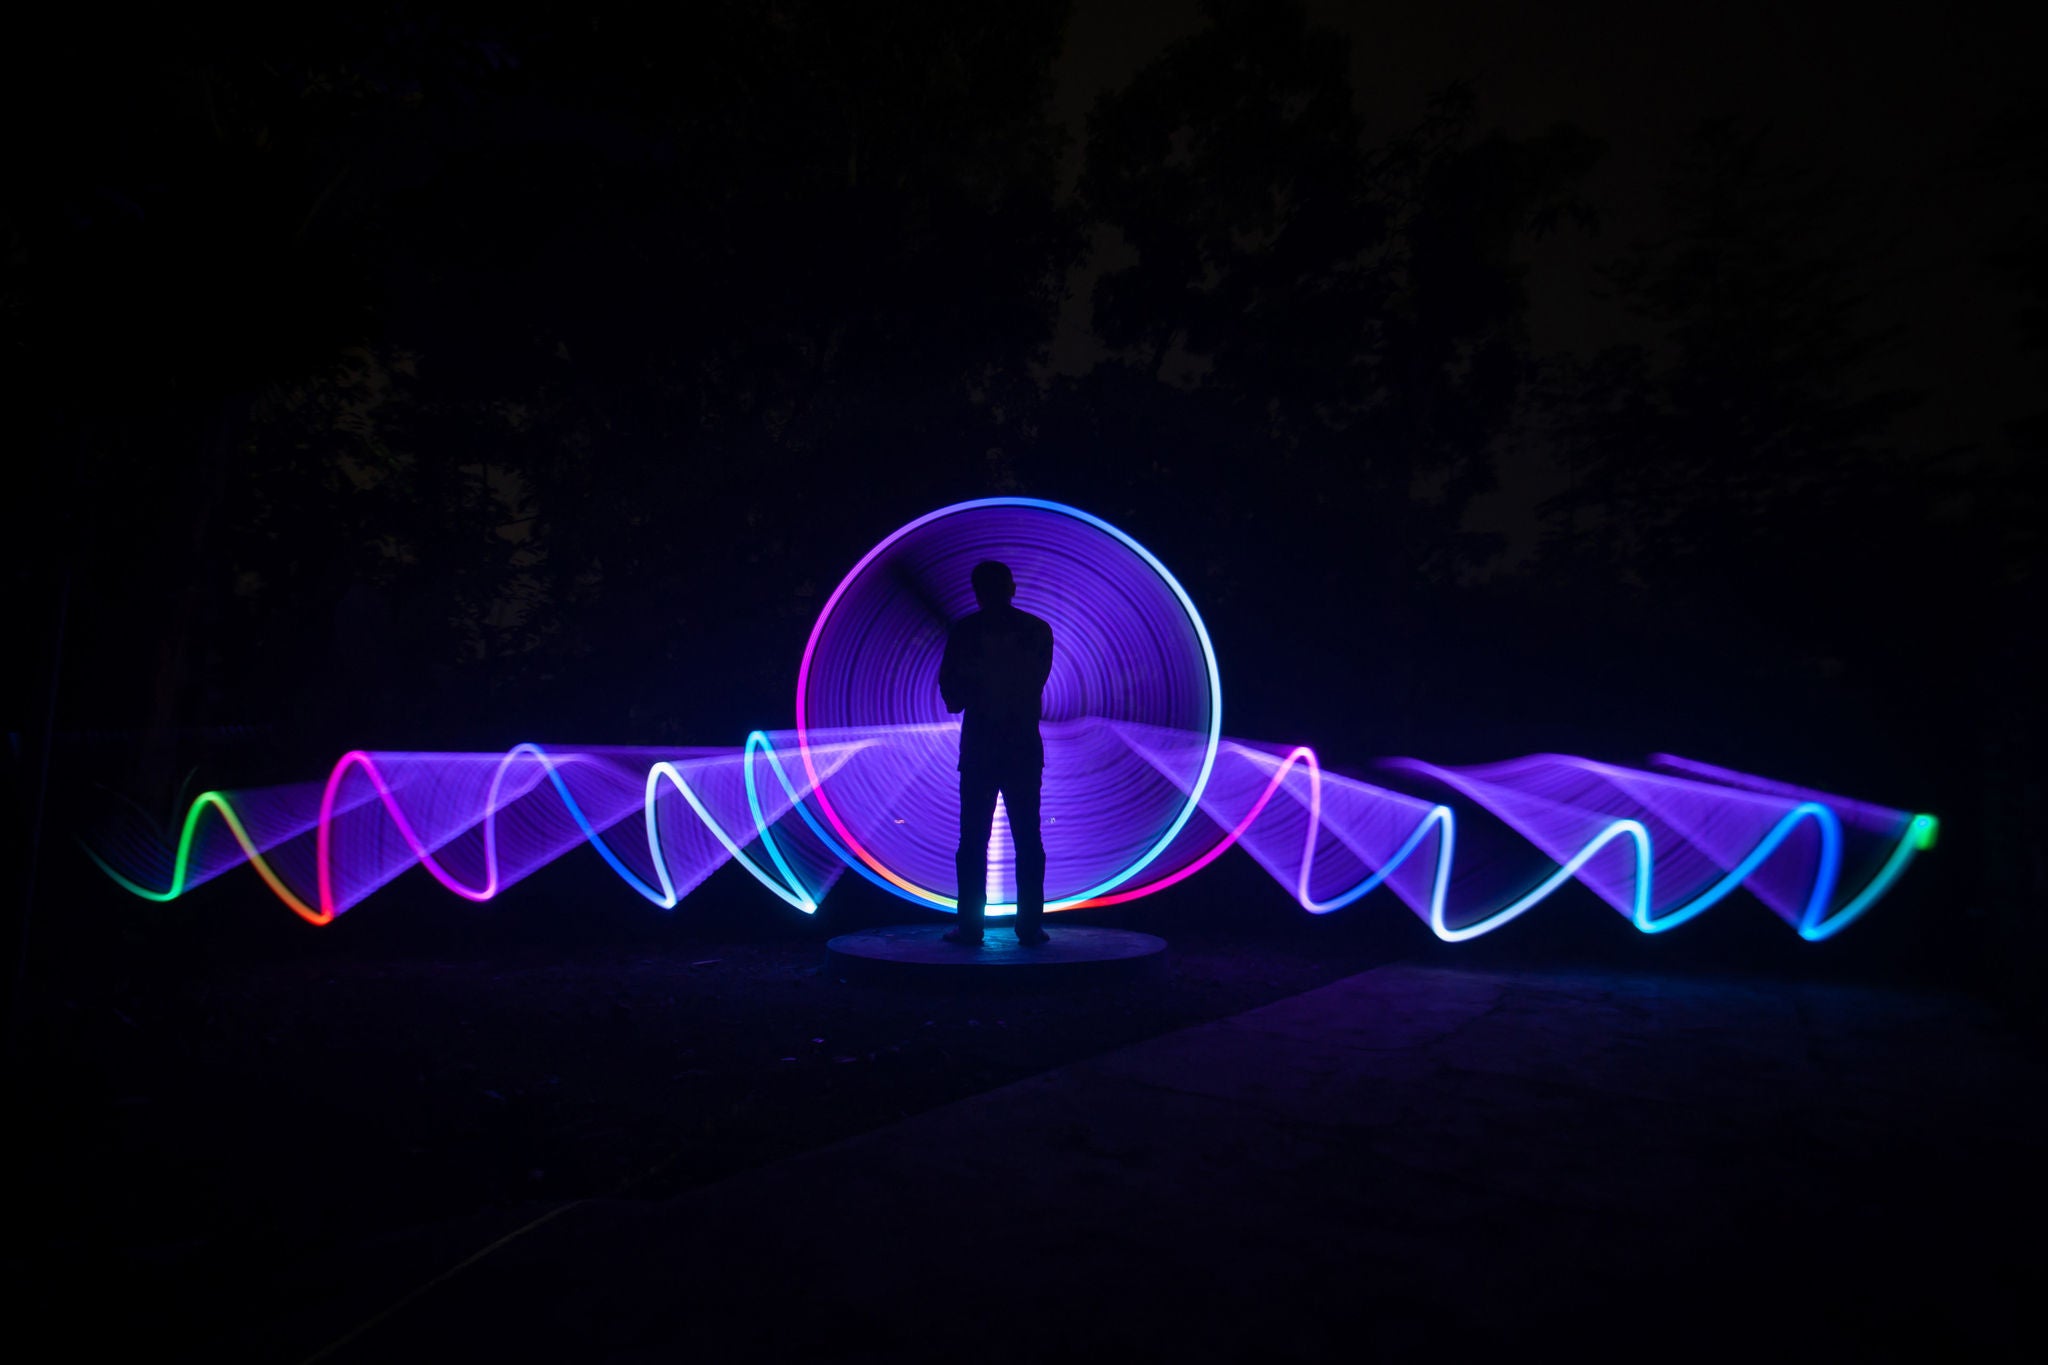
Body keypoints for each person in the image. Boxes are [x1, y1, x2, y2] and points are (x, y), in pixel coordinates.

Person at [938, 560, 1054, 945]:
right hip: (1021, 748)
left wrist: (978, 678)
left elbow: (952, 696)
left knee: (972, 840)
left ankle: (970, 927)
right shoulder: (1037, 631)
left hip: (980, 750)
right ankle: (1029, 927)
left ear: (978, 592)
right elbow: (1031, 684)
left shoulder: (965, 632)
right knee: (1027, 839)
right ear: (1012, 587)